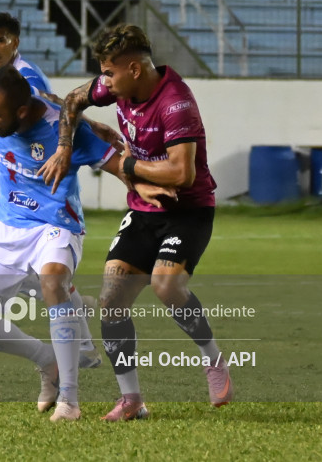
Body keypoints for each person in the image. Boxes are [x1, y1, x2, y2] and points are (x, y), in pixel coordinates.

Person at [38, 24, 233, 421]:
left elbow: (182, 174)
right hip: (144, 210)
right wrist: (65, 147)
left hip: (188, 211)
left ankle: (213, 360)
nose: (105, 82)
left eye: (110, 73)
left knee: (166, 285)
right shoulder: (116, 86)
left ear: (135, 69)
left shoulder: (176, 103)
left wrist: (125, 165)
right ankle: (131, 400)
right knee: (111, 301)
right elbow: (72, 100)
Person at [0, 66, 172, 422]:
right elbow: (55, 98)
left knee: (53, 280)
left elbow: (118, 165)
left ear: (21, 111)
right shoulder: (9, 117)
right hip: (6, 224)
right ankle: (48, 361)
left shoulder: (65, 132)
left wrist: (148, 189)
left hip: (56, 223)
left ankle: (69, 400)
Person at [0, 12, 121, 369]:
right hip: (22, 201)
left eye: (0, 41)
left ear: (15, 42)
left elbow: (54, 107)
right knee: (46, 279)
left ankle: (71, 342)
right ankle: (82, 339)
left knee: (44, 277)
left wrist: (88, 129)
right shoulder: (8, 76)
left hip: (45, 197)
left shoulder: (24, 75)